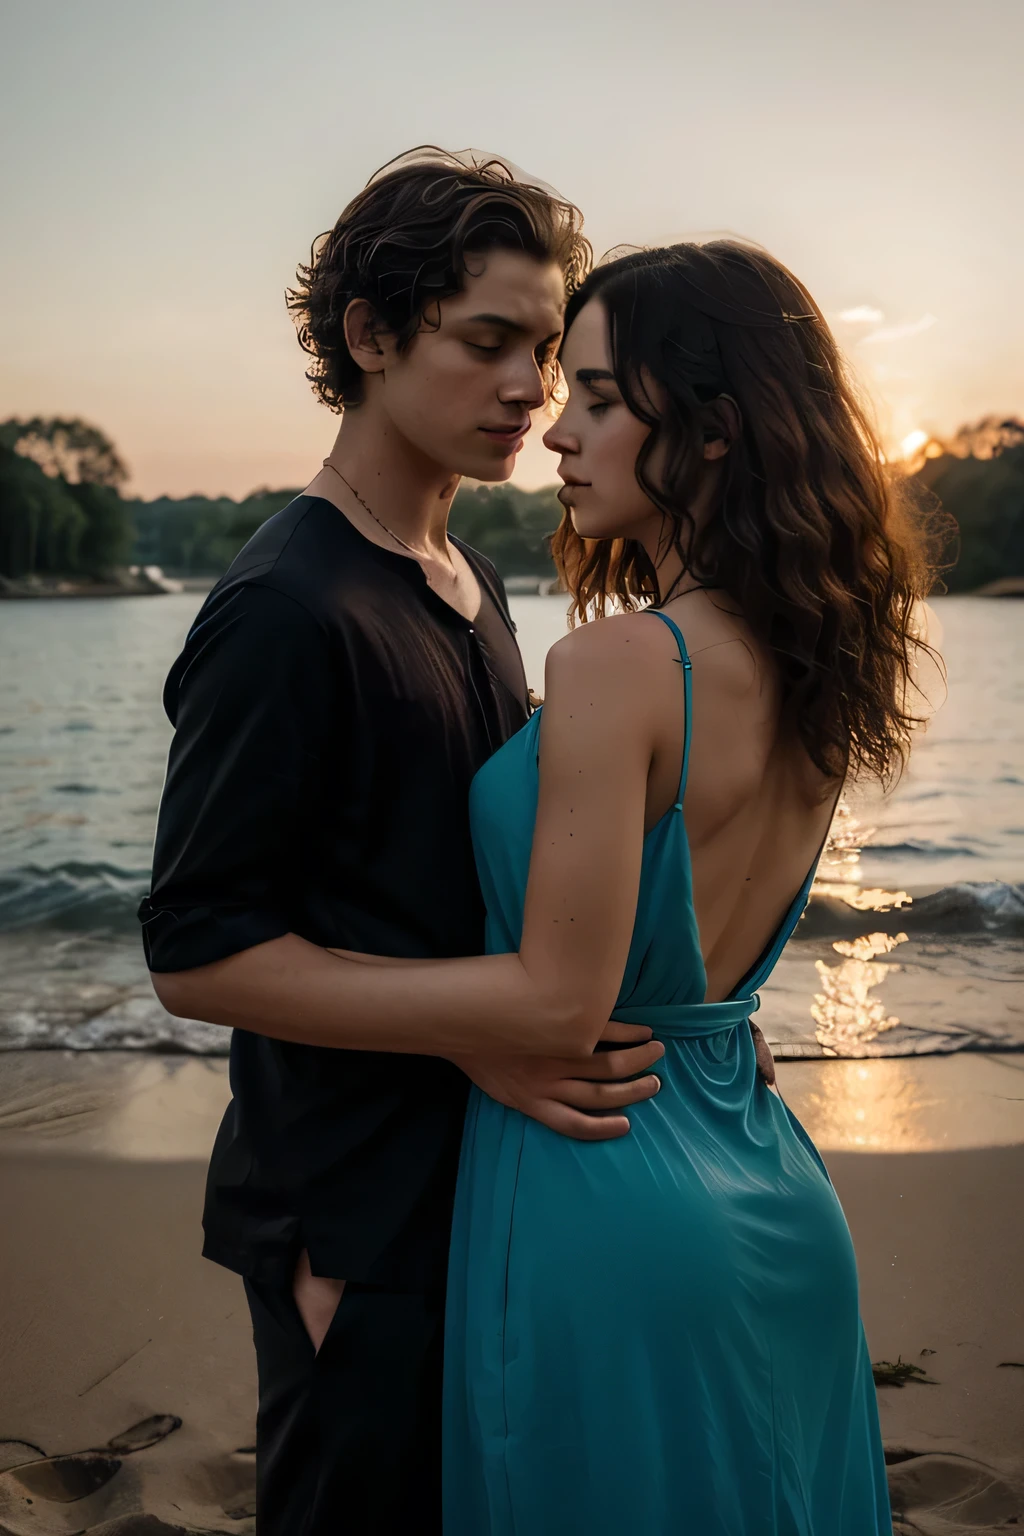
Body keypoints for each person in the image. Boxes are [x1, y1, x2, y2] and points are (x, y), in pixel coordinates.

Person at [269, 242, 931, 1529]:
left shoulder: (624, 663)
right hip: (770, 1185)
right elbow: (696, 961)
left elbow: (558, 1002)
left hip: (602, 1188)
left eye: (599, 399)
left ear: (717, 431)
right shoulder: (813, 661)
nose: (553, 429)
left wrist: (344, 984)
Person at [138, 150, 667, 1536]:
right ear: (371, 336)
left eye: (549, 353)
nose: (530, 390)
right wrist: (479, 1034)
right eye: (486, 341)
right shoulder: (281, 609)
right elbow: (199, 952)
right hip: (349, 1221)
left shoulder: (470, 578)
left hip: (476, 1193)